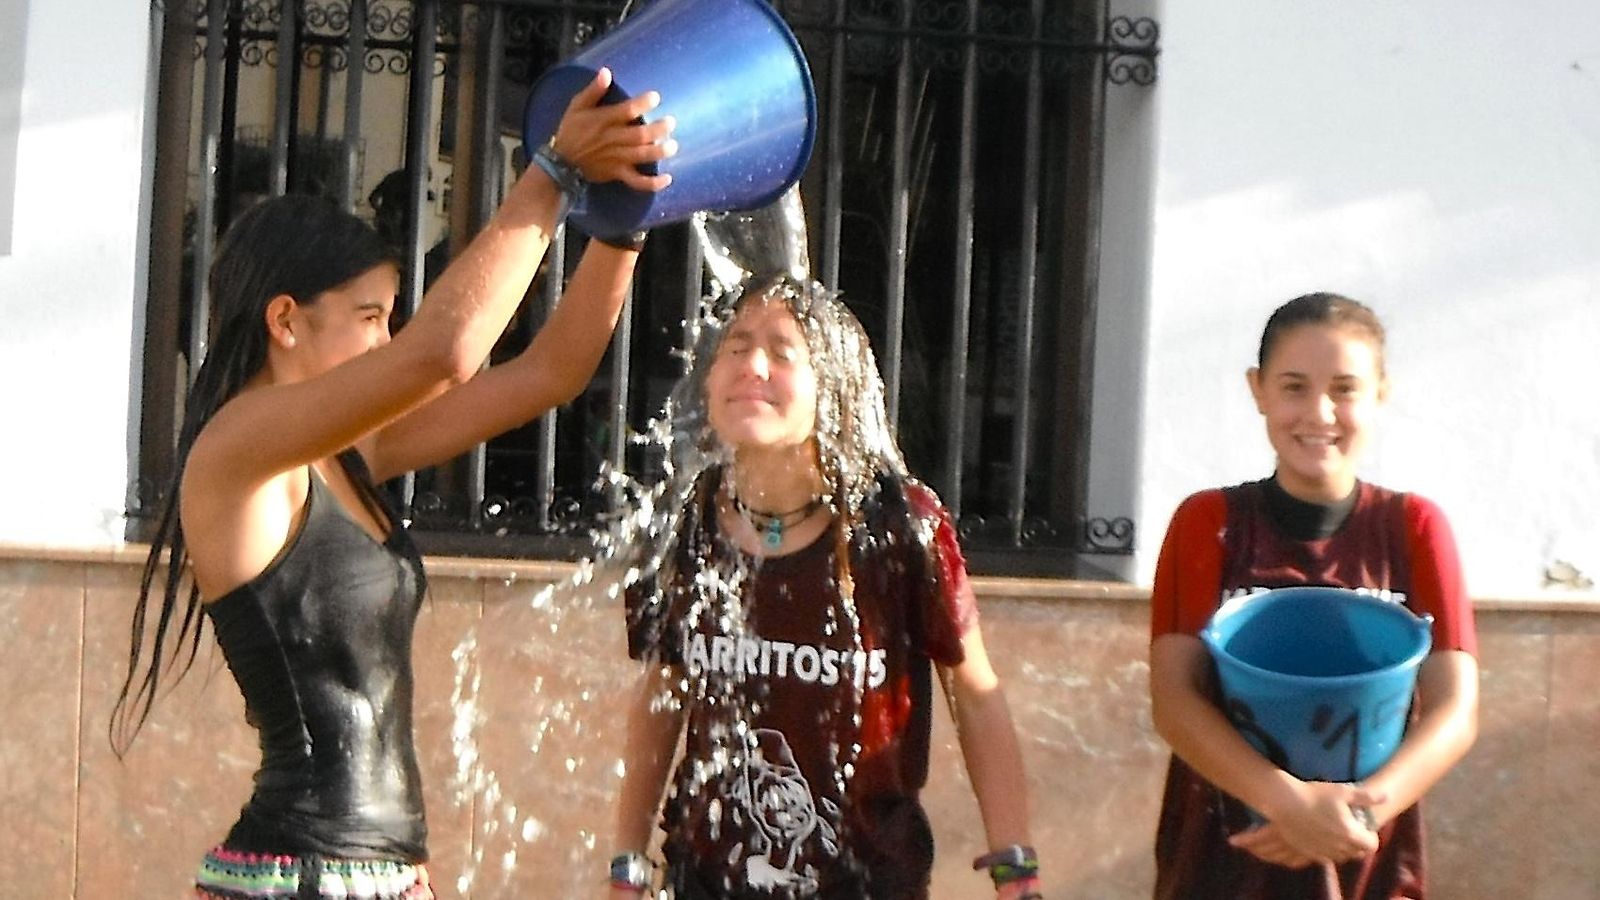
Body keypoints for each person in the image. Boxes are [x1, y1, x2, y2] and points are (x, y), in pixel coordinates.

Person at [108, 68, 677, 899]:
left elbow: (552, 373)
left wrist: (627, 220)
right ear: (286, 320)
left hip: (374, 875)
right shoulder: (235, 448)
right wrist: (553, 171)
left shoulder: (347, 454)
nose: (389, 339)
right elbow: (444, 353)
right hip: (291, 877)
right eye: (371, 316)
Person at [606, 271, 1039, 900]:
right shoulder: (687, 523)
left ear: (832, 387)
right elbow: (662, 696)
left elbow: (974, 695)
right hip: (706, 879)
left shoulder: (899, 529)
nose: (752, 365)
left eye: (782, 352)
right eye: (735, 346)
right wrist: (628, 863)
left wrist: (1015, 866)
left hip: (864, 882)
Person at [1146, 293, 1480, 899]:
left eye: (1345, 388)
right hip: (1225, 854)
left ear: (1380, 392)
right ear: (1259, 390)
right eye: (1294, 386)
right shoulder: (1208, 521)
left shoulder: (1415, 527)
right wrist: (1285, 802)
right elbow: (1175, 699)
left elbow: (1455, 712)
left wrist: (1357, 816)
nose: (1319, 412)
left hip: (1366, 856)